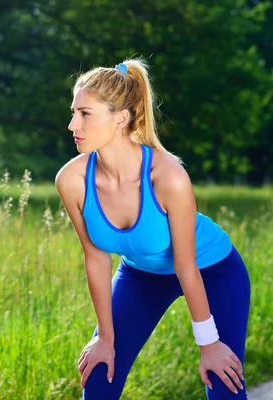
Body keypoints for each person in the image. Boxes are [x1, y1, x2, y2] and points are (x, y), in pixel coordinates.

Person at [54, 58, 251, 400]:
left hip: (212, 271)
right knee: (99, 377)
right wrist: (104, 337)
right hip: (141, 275)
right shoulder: (72, 180)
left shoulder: (168, 176)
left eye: (85, 113)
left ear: (120, 118)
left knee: (223, 385)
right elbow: (96, 258)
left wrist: (208, 344)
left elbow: (185, 264)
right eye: (74, 112)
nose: (73, 124)